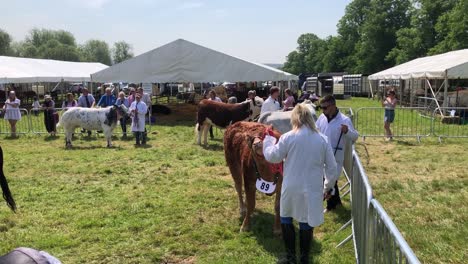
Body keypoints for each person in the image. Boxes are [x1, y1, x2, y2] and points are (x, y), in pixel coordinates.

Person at [262, 104, 338, 264]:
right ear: (310, 119)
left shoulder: (288, 137)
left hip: (291, 187)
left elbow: (272, 156)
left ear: (295, 118)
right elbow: (332, 168)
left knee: (286, 218)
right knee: (306, 220)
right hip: (312, 188)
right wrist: (327, 186)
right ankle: (304, 259)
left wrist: (268, 140)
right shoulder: (322, 139)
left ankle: (290, 258)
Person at [316, 95, 359, 212]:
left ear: (333, 106)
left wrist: (347, 131)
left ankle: (330, 206)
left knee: (330, 179)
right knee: (327, 178)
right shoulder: (321, 118)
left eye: (325, 107)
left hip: (336, 155)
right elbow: (316, 131)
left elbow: (355, 137)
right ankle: (336, 202)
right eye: (321, 107)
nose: (322, 110)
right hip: (322, 153)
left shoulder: (344, 120)